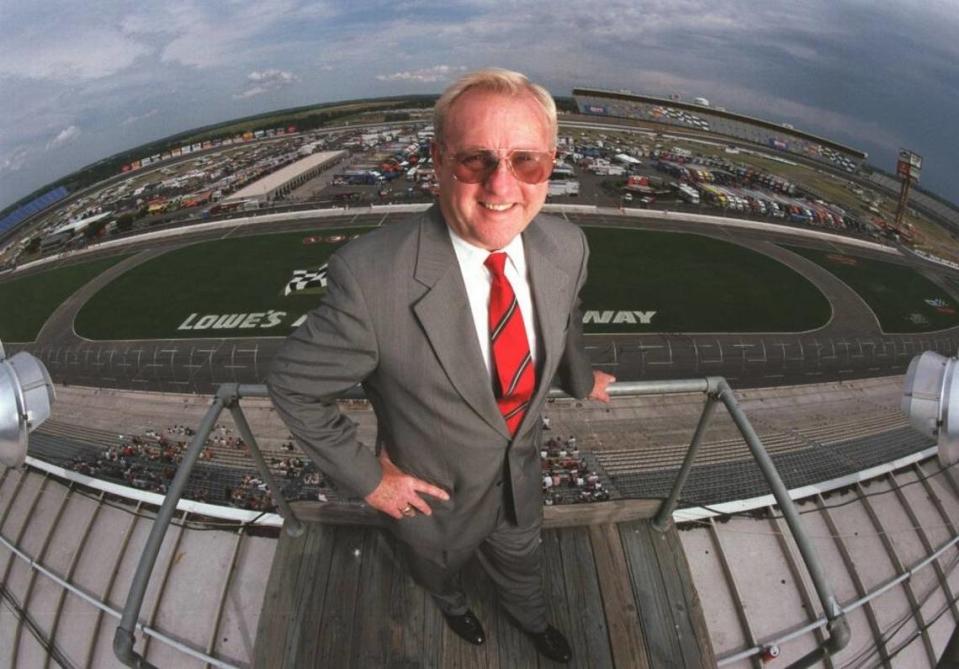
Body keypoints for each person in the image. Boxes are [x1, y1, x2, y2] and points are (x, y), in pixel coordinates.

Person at [268, 67, 615, 664]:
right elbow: (293, 384)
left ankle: (530, 620)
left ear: (550, 163)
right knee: (437, 572)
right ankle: (454, 608)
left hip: (520, 481)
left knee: (523, 564)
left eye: (525, 161)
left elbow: (566, 320)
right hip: (432, 500)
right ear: (438, 159)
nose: (502, 185)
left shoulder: (566, 245)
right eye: (476, 159)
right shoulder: (371, 276)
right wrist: (370, 479)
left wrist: (579, 377)